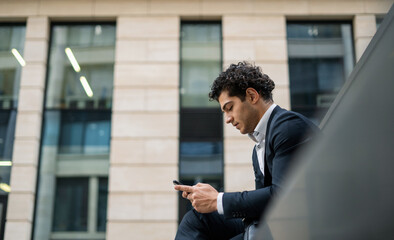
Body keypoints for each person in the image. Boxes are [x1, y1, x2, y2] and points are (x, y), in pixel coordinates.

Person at [174, 61, 319, 239]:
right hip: (268, 225)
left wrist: (217, 200)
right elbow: (261, 206)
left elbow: (283, 195)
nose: (227, 119)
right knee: (198, 218)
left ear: (251, 96)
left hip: (301, 228)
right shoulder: (259, 145)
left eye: (230, 108)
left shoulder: (288, 127)